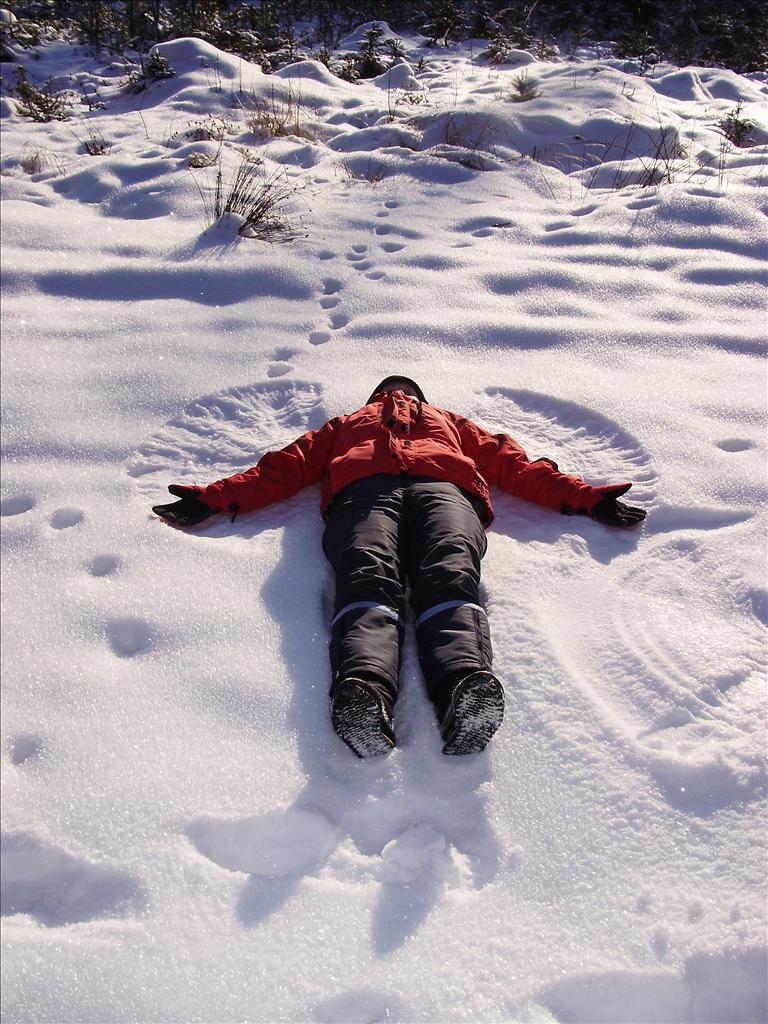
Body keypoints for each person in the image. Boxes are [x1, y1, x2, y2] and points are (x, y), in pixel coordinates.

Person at [153, 375, 646, 758]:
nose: (398, 394)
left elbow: (511, 464)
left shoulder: (449, 422)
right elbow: (286, 466)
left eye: (405, 390)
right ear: (375, 398)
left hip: (444, 492)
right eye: (391, 390)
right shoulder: (344, 425)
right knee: (367, 574)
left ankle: (462, 685)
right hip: (364, 494)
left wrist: (586, 497)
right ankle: (364, 689)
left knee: (450, 572)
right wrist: (214, 497)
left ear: (419, 397)